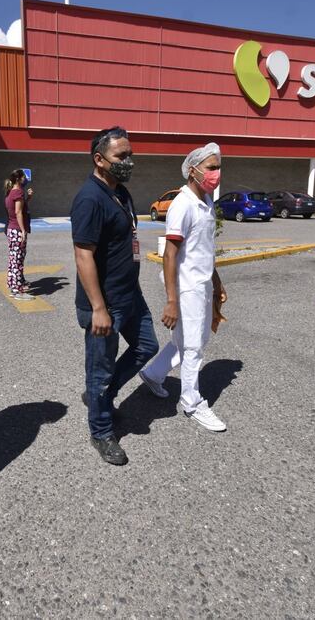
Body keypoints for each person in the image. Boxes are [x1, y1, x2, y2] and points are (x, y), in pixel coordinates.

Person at [71, 126, 158, 466]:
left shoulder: (120, 192)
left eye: (130, 154)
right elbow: (83, 255)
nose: (129, 161)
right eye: (121, 156)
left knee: (146, 346)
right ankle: (101, 430)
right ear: (99, 160)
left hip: (129, 296)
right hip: (103, 305)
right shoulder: (89, 198)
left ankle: (100, 399)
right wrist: (98, 308)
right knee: (100, 370)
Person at [139, 143, 228, 432]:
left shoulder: (206, 200)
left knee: (192, 341)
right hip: (185, 286)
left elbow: (204, 249)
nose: (216, 173)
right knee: (192, 347)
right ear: (193, 170)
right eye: (211, 168)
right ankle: (191, 402)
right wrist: (171, 301)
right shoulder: (183, 205)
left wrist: (216, 283)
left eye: (218, 167)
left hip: (201, 283)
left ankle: (153, 373)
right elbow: (170, 254)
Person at [4, 169, 34, 300]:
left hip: (12, 229)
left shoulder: (11, 192)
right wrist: (23, 231)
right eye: (23, 177)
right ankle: (18, 292)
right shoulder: (18, 192)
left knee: (14, 260)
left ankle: (13, 285)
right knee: (17, 261)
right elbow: (18, 212)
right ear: (19, 179)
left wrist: (29, 198)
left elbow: (20, 208)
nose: (25, 179)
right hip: (17, 230)